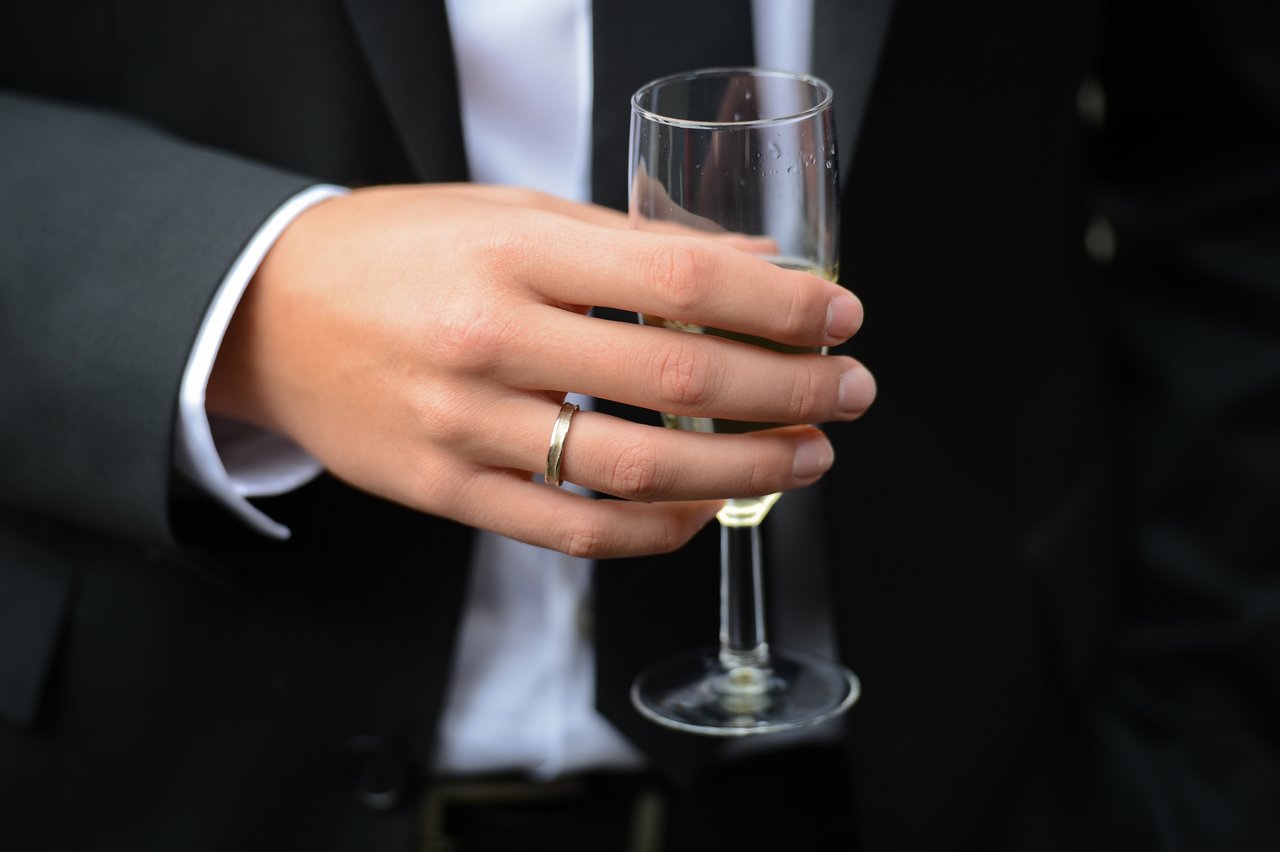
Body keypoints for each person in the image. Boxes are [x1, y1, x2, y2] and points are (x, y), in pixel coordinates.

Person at [2, 1, 1278, 850]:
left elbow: (1230, 169)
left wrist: (1208, 749)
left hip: (977, 784)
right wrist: (242, 299)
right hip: (158, 774)